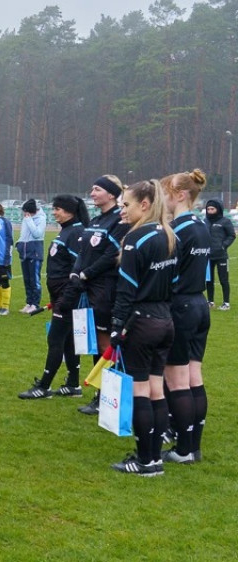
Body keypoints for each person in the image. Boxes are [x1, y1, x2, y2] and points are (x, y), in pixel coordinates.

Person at [108, 180, 177, 477]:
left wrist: (116, 328)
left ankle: (146, 461)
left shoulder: (136, 240)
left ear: (145, 205)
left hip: (142, 321)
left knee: (139, 391)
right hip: (165, 320)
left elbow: (127, 290)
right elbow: (174, 284)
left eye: (127, 205)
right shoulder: (171, 236)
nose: (123, 210)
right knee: (155, 390)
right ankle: (154, 458)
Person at [161, 170, 211, 464]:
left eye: (166, 192)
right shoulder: (200, 224)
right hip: (198, 304)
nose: (163, 199)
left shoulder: (178, 229)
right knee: (193, 376)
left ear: (180, 195)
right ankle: (192, 443)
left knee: (177, 380)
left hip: (180, 305)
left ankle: (184, 449)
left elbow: (167, 271)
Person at [17, 195, 90, 399]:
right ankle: (73, 384)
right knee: (68, 339)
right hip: (60, 294)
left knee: (55, 338)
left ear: (70, 211)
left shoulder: (76, 232)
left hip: (67, 296)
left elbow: (79, 268)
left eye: (58, 209)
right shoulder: (67, 230)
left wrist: (67, 296)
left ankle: (44, 386)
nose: (54, 212)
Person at [70, 175, 130, 415]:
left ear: (112, 194)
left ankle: (108, 396)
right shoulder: (96, 219)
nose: (92, 193)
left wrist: (86, 274)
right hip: (88, 286)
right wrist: (76, 272)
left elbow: (112, 255)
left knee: (106, 343)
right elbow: (83, 251)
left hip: (106, 287)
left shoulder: (120, 220)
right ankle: (101, 393)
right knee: (95, 342)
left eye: (97, 189)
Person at [16, 199, 46, 314]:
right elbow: (23, 234)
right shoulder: (26, 219)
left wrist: (29, 220)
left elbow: (37, 234)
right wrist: (18, 244)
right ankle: (29, 302)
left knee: (35, 280)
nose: (24, 214)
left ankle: (35, 303)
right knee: (27, 279)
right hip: (24, 252)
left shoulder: (41, 219)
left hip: (35, 252)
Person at [203, 198, 234, 309]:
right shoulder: (205, 221)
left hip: (221, 256)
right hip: (208, 256)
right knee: (209, 280)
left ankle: (226, 303)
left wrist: (223, 245)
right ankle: (210, 301)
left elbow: (232, 235)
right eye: (208, 209)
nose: (210, 211)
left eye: (212, 209)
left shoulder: (225, 221)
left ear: (218, 209)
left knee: (223, 280)